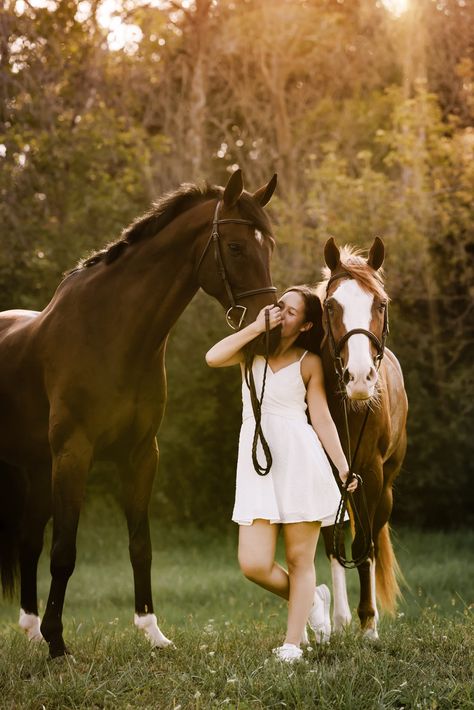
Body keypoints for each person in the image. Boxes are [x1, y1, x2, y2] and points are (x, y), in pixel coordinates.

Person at [205, 285, 357, 663]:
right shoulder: (250, 352)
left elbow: (320, 417)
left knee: (299, 561)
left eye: (289, 311)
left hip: (300, 462)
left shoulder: (309, 361)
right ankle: (312, 601)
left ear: (305, 325)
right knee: (253, 564)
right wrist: (257, 327)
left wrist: (342, 466)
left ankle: (292, 645)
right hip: (258, 464)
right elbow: (212, 357)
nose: (279, 312)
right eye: (278, 306)